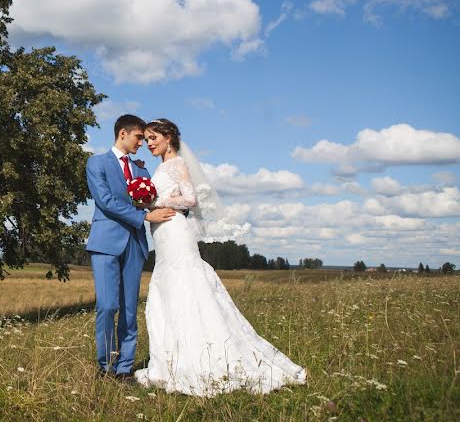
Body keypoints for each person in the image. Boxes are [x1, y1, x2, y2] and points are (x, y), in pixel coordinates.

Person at [134, 118, 307, 395]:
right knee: (169, 291)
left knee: (185, 289)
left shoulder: (177, 164)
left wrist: (154, 202)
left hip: (176, 232)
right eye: (147, 138)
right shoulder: (162, 166)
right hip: (163, 236)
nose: (149, 143)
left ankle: (201, 359)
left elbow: (190, 200)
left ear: (169, 137)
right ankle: (171, 359)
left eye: (153, 137)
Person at [85, 114, 176, 380]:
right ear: (123, 133)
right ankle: (105, 366)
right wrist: (143, 216)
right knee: (106, 305)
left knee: (128, 309)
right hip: (105, 243)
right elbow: (105, 201)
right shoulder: (97, 163)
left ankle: (124, 368)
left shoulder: (142, 170)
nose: (142, 143)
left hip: (135, 245)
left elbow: (152, 201)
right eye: (139, 137)